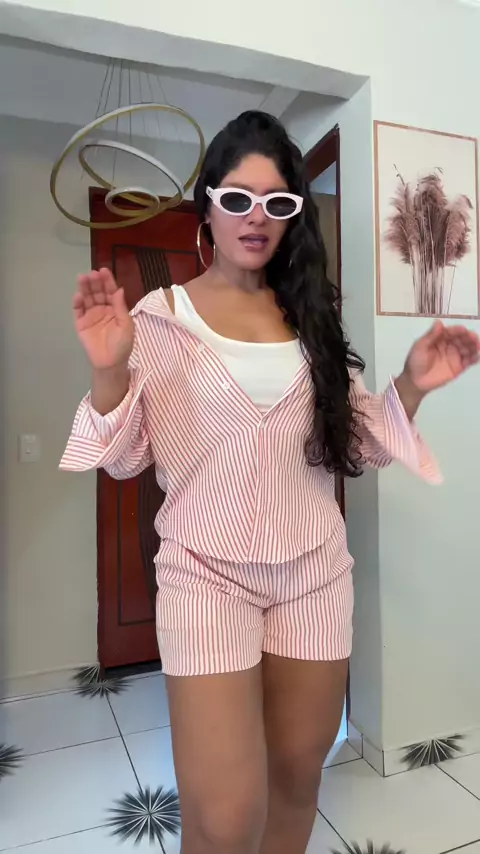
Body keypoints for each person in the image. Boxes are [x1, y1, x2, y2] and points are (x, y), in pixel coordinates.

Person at [61, 111, 479, 854]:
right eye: (238, 198)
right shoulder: (160, 318)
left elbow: (356, 441)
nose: (256, 217)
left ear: (292, 216)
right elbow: (123, 459)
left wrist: (411, 386)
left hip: (314, 575)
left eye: (278, 202)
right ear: (208, 208)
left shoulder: (311, 316)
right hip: (205, 575)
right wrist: (109, 370)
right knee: (224, 818)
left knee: (295, 783)